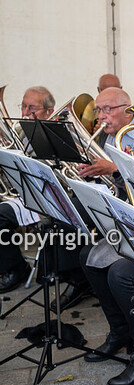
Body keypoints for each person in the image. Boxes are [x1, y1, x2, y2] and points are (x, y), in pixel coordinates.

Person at [77, 88, 134, 385]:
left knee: (119, 273)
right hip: (122, 221)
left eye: (107, 109)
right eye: (98, 110)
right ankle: (120, 331)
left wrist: (113, 170)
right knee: (86, 257)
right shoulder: (101, 139)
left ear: (127, 109)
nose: (100, 116)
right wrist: (88, 173)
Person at [0, 86, 55, 293]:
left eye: (32, 108)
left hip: (44, 196)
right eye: (23, 106)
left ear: (49, 112)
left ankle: (14, 268)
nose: (24, 113)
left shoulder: (54, 134)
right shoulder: (20, 131)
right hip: (22, 194)